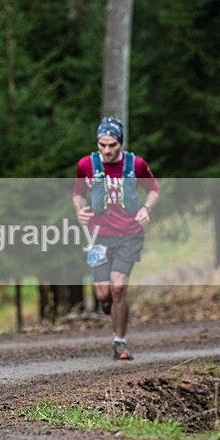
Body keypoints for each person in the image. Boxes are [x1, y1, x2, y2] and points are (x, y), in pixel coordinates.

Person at [73, 116, 159, 360]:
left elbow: (153, 189)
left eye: (112, 145)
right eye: (103, 145)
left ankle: (119, 343)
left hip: (129, 235)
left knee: (119, 287)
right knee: (103, 294)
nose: (107, 150)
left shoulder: (136, 165)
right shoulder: (86, 165)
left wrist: (146, 209)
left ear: (121, 143)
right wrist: (80, 211)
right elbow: (78, 194)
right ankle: (108, 304)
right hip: (98, 236)